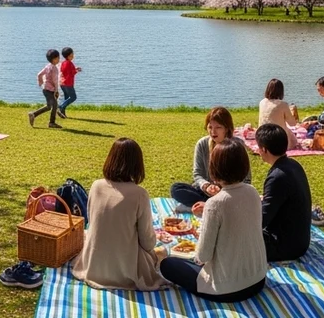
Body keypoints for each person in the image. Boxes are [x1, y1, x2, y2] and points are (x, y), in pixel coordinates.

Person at [160, 138, 267, 303]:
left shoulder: (215, 204)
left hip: (227, 288)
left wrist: (203, 227)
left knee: (167, 264)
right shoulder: (252, 192)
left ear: (214, 168)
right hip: (258, 279)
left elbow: (202, 256)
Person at [72, 138, 168, 291]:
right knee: (162, 252)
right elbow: (148, 243)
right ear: (137, 165)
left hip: (94, 265)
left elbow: (94, 221)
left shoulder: (96, 186)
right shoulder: (139, 194)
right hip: (125, 270)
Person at [170, 107, 252, 208]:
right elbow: (197, 174)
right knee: (176, 189)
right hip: (207, 192)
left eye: (218, 127)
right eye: (210, 127)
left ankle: (207, 206)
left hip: (231, 193)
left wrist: (225, 190)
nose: (213, 131)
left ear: (227, 128)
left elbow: (246, 179)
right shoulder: (202, 144)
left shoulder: (237, 146)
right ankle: (212, 205)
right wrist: (207, 186)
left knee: (245, 196)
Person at [253, 124, 311, 262]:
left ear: (264, 149)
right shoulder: (293, 165)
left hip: (285, 246)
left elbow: (261, 220)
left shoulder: (277, 176)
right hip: (300, 241)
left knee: (234, 239)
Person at [28, 49, 62, 129]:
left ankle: (33, 114)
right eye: (58, 58)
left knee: (50, 106)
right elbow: (55, 81)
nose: (59, 59)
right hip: (50, 90)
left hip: (45, 89)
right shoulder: (54, 69)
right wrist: (56, 91)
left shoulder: (48, 66)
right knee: (53, 106)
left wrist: (40, 82)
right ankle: (51, 123)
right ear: (54, 59)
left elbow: (39, 74)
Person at [57, 47, 82, 119]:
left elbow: (65, 71)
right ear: (68, 56)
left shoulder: (63, 63)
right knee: (73, 97)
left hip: (62, 83)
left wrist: (75, 69)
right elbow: (70, 73)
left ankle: (62, 114)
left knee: (66, 98)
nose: (73, 56)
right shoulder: (69, 63)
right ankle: (61, 106)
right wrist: (76, 70)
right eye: (72, 55)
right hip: (68, 84)